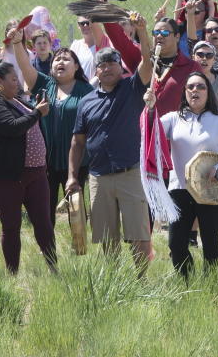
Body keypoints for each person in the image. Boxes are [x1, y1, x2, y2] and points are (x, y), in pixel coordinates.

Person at [67, 14, 153, 275]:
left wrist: (142, 32)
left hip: (130, 173)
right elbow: (77, 141)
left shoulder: (132, 88)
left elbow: (147, 63)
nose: (106, 69)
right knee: (106, 235)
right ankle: (114, 280)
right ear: (96, 70)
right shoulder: (87, 102)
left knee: (138, 233)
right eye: (101, 65)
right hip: (98, 176)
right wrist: (72, 176)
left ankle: (141, 280)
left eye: (112, 64)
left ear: (120, 67)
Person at [156, 72, 218, 277]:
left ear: (209, 92)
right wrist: (150, 107)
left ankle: (213, 286)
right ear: (185, 92)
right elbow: (149, 131)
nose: (194, 90)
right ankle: (186, 284)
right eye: (190, 87)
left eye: (200, 87)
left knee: (210, 242)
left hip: (211, 189)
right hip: (179, 188)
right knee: (176, 244)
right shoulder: (173, 119)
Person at [0, 59, 55, 274]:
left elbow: (27, 119)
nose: (18, 84)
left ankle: (53, 267)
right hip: (8, 175)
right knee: (12, 227)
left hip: (35, 173)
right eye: (13, 80)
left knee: (44, 223)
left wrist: (35, 108)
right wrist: (37, 113)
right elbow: (12, 128)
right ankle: (13, 274)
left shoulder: (13, 99)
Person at [10, 32, 93, 225]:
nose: (60, 62)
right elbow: (24, 66)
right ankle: (47, 248)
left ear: (77, 66)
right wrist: (17, 42)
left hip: (77, 160)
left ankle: (79, 249)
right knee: (44, 208)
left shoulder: (86, 91)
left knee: (76, 210)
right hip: (46, 160)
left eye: (66, 59)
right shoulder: (45, 85)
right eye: (57, 59)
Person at [190, 40, 218, 116]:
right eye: (200, 54)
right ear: (193, 57)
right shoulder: (186, 81)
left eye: (209, 55)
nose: (204, 58)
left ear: (214, 59)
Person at [69, 15, 111, 82]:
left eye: (88, 23)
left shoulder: (102, 44)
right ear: (78, 26)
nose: (85, 25)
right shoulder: (75, 45)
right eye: (82, 23)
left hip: (95, 87)